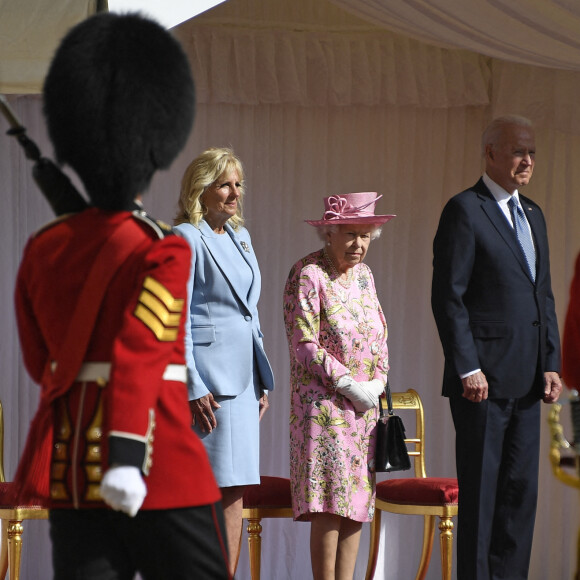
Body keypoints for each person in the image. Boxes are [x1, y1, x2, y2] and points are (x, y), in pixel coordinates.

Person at [12, 13, 231, 579]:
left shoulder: (43, 248)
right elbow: (140, 353)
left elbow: (43, 365)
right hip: (157, 466)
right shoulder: (163, 248)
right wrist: (128, 455)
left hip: (74, 475)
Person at [431, 114, 562, 580]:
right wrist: (467, 367)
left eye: (531, 152)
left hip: (529, 382)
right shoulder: (465, 209)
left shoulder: (534, 214)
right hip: (481, 384)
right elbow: (449, 296)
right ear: (490, 153)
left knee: (519, 498)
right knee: (483, 498)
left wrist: (551, 361)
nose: (527, 160)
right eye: (517, 151)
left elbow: (541, 294)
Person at [173, 147, 275, 574]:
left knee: (234, 491)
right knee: (205, 492)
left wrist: (260, 376)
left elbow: (248, 312)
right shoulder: (184, 237)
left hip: (244, 381)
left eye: (238, 184)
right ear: (201, 190)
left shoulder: (240, 236)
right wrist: (192, 386)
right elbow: (173, 320)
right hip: (209, 384)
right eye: (224, 185)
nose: (235, 193)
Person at [282, 192, 394, 580]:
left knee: (357, 504)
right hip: (325, 410)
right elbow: (304, 343)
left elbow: (380, 335)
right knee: (330, 506)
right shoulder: (308, 273)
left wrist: (378, 381)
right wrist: (347, 382)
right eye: (350, 234)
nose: (358, 244)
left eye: (365, 235)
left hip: (363, 411)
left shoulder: (365, 276)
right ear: (328, 233)